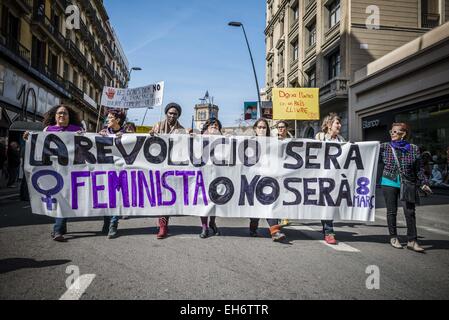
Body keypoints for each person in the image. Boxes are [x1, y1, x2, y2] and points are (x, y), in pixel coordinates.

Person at [24, 104, 84, 241]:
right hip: (53, 172)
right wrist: (29, 138)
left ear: (70, 117)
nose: (62, 115)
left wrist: (83, 137)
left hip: (70, 171)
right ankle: (59, 229)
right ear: (55, 116)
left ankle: (58, 229)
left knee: (65, 199)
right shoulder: (47, 130)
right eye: (59, 113)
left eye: (65, 113)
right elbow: (39, 145)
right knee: (60, 198)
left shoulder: (77, 130)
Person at [379, 123, 432, 252]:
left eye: (395, 132)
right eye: (391, 131)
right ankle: (393, 237)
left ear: (403, 134)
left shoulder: (413, 149)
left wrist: (424, 183)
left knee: (410, 212)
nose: (392, 133)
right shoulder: (385, 147)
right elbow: (366, 151)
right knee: (392, 211)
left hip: (408, 183)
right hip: (389, 181)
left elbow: (418, 169)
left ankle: (412, 241)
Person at [150, 102, 185, 239]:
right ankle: (162, 225)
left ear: (178, 115)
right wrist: (151, 135)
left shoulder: (181, 129)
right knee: (160, 195)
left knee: (168, 196)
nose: (172, 115)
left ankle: (164, 225)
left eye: (175, 113)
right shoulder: (158, 126)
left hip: (172, 167)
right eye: (170, 113)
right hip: (158, 166)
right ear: (166, 113)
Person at [248, 118, 286, 242]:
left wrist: (283, 142)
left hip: (269, 178)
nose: (262, 129)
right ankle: (253, 227)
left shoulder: (273, 142)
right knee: (256, 207)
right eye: (259, 127)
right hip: (253, 178)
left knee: (270, 203)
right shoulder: (249, 142)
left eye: (264, 127)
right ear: (255, 129)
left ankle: (275, 231)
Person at [314, 113, 346, 245]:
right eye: (337, 123)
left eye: (339, 123)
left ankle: (327, 229)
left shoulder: (341, 139)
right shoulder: (320, 137)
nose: (339, 125)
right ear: (329, 125)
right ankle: (329, 231)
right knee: (326, 202)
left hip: (335, 177)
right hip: (321, 176)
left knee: (329, 203)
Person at [99, 109, 127, 238]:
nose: (106, 120)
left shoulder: (127, 134)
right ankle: (106, 223)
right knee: (106, 198)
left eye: (110, 118)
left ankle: (113, 225)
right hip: (106, 171)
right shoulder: (103, 133)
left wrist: (126, 138)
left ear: (118, 120)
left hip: (122, 172)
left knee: (117, 198)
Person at [197, 118, 222, 239]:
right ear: (206, 128)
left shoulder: (223, 139)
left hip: (218, 173)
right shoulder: (199, 138)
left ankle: (212, 222)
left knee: (215, 199)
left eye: (216, 126)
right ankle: (204, 226)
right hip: (203, 173)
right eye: (211, 125)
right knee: (204, 200)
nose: (214, 127)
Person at [276, 121, 291, 228]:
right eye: (279, 127)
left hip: (288, 171)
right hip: (276, 171)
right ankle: (276, 218)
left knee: (286, 194)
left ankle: (285, 216)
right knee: (277, 194)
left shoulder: (292, 140)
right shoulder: (272, 140)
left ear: (286, 128)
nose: (280, 129)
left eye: (282, 127)